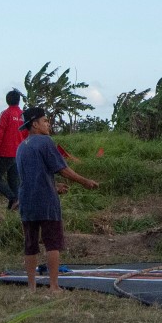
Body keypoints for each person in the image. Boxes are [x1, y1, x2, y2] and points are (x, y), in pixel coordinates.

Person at [15, 106, 99, 292]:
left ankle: (31, 287)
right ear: (35, 124)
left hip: (27, 202)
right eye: (45, 121)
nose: (48, 124)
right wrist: (84, 181)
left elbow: (31, 178)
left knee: (30, 245)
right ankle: (54, 286)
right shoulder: (45, 142)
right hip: (46, 203)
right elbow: (62, 169)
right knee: (52, 243)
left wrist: (54, 186)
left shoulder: (21, 147)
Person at [0, 89, 28, 210]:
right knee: (13, 181)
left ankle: (13, 199)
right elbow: (26, 134)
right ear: (19, 100)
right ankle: (14, 207)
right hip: (19, 152)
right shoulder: (23, 115)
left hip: (6, 152)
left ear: (7, 100)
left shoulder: (5, 114)